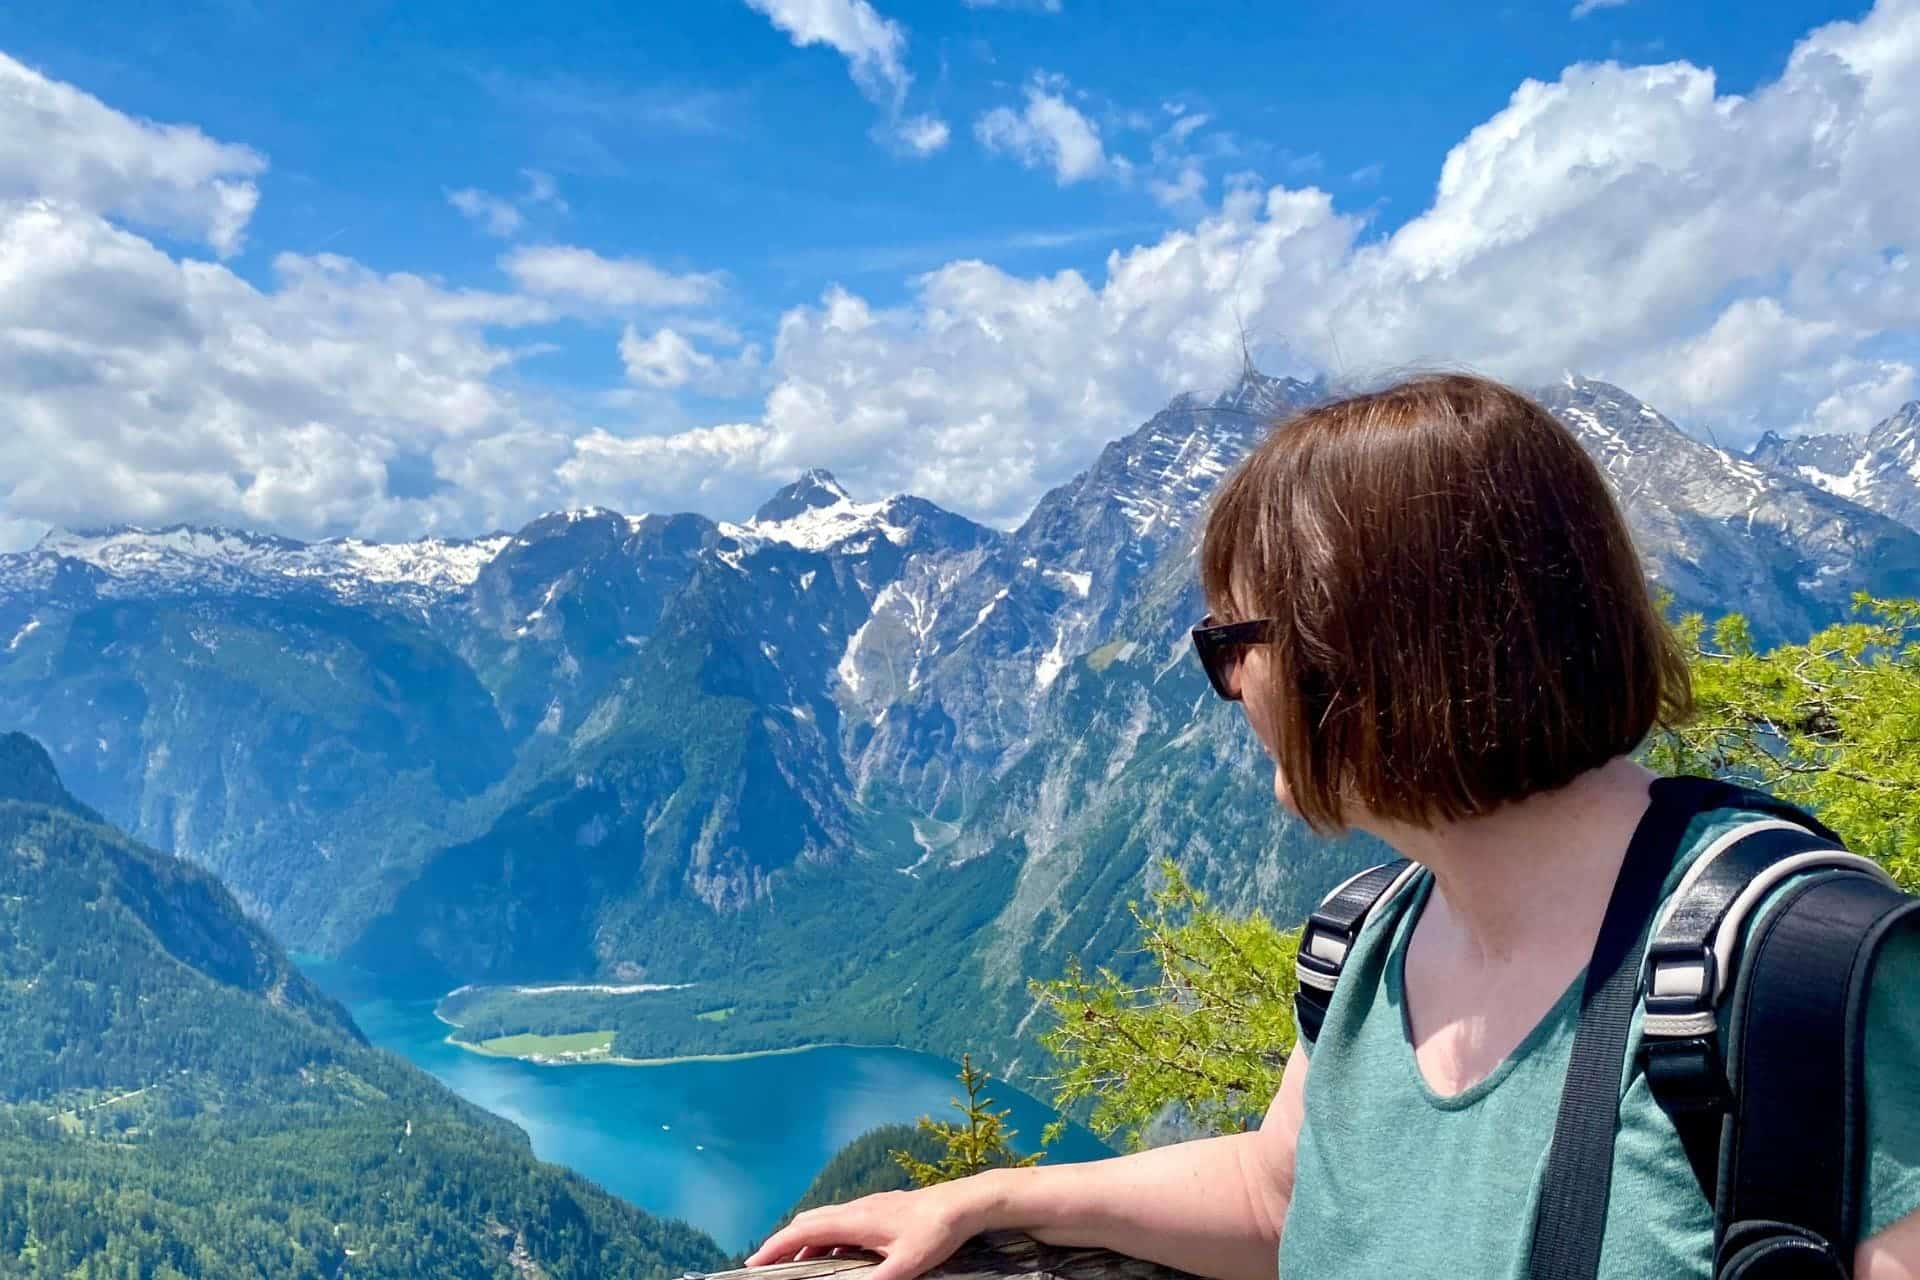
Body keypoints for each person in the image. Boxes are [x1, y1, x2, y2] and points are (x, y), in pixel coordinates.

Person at [746, 374, 1920, 1279]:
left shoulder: (1800, 974)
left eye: (1229, 645)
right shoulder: (1373, 941)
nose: (1225, 690)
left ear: (1379, 649)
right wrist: (993, 1193)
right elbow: (1278, 1192)